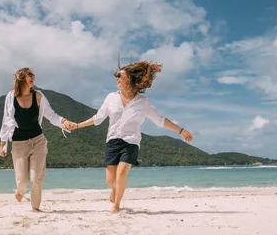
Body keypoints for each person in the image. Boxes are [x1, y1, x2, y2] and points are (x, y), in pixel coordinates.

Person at [70, 61, 194, 213]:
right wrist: (77, 125)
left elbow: (160, 120)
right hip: (112, 141)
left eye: (119, 76)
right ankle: (115, 189)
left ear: (129, 79)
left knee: (121, 174)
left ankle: (116, 205)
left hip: (131, 142)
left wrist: (180, 130)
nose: (117, 79)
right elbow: (98, 118)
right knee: (110, 180)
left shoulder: (143, 102)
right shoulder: (111, 97)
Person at [0, 67, 75, 212]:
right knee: (22, 181)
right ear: (21, 78)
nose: (32, 77)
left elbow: (51, 115)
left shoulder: (38, 96)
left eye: (33, 74)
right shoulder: (11, 97)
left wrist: (64, 121)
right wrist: (3, 144)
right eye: (29, 75)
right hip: (19, 144)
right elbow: (6, 120)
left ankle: (35, 208)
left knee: (37, 179)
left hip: (38, 141)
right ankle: (20, 191)